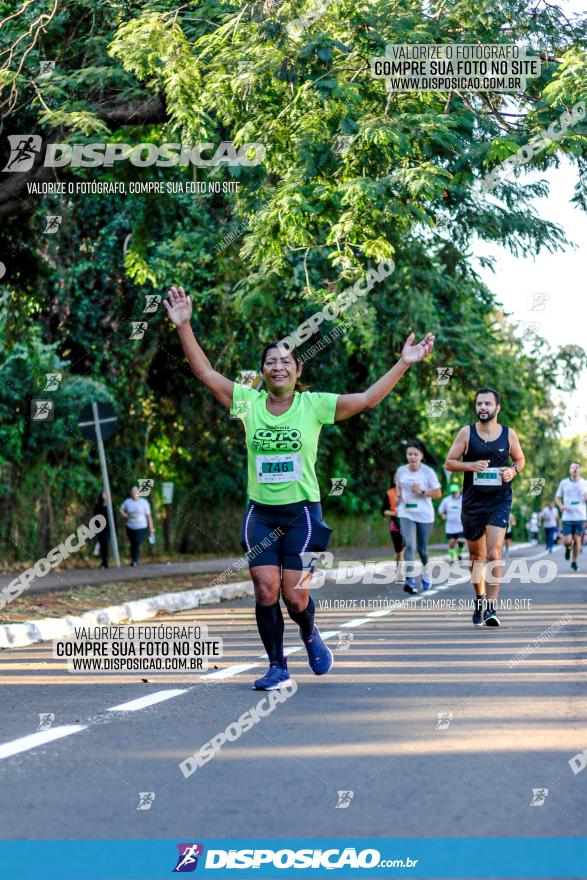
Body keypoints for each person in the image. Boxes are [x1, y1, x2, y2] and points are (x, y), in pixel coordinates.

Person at [164, 285, 435, 689]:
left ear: (297, 371)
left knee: (295, 596)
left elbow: (364, 400)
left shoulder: (314, 406)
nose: (278, 367)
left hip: (304, 515)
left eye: (286, 361)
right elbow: (206, 374)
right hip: (261, 512)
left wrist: (403, 364)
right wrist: (184, 326)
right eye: (270, 362)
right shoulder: (248, 404)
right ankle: (276, 665)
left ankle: (310, 634)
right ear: (263, 371)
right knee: (264, 587)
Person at [445, 388, 525, 627]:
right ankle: (479, 599)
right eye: (479, 403)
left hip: (499, 501)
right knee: (476, 556)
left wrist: (513, 471)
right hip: (472, 502)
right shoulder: (466, 433)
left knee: (493, 553)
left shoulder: (509, 435)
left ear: (497, 408)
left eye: (488, 404)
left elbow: (520, 459)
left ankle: (491, 607)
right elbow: (449, 463)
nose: (483, 408)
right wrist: (471, 466)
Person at [395, 441, 441, 594]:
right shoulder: (401, 471)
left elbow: (437, 493)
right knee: (409, 544)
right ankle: (409, 579)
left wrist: (421, 491)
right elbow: (398, 486)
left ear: (421, 455)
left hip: (424, 515)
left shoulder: (428, 472)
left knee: (422, 549)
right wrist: (398, 496)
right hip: (405, 512)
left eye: (415, 454)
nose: (412, 457)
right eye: (409, 454)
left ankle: (426, 572)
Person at [555, 462, 587, 572]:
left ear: (580, 470)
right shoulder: (564, 483)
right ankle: (568, 548)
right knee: (568, 540)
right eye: (573, 467)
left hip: (580, 516)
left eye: (577, 467)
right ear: (570, 470)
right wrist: (560, 506)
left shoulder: (585, 483)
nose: (575, 469)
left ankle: (574, 562)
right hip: (567, 516)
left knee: (578, 540)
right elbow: (557, 497)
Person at [120, 486, 154, 566]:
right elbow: (120, 509)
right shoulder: (127, 501)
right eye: (133, 491)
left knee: (137, 542)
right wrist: (125, 515)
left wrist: (151, 527)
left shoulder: (144, 502)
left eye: (136, 491)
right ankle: (134, 560)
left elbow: (149, 516)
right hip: (130, 526)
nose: (134, 493)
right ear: (131, 493)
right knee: (132, 543)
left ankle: (135, 560)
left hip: (141, 526)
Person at [438, 483, 465, 562]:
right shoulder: (446, 500)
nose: (454, 494)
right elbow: (440, 511)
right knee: (452, 543)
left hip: (460, 526)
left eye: (455, 492)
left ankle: (459, 553)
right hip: (450, 526)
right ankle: (453, 559)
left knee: (461, 541)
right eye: (452, 492)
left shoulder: (463, 499)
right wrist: (443, 515)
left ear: (459, 491)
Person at [381, 484, 405, 572]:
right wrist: (394, 513)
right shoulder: (390, 493)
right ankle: (398, 567)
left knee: (403, 549)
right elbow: (383, 510)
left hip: (406, 523)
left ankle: (401, 571)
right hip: (394, 523)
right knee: (398, 550)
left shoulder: (408, 491)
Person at [93, 491, 111, 568]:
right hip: (100, 529)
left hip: (108, 529)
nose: (105, 496)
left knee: (105, 544)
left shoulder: (110, 505)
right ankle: (104, 562)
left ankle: (105, 562)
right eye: (104, 494)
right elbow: (95, 518)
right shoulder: (98, 505)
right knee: (102, 545)